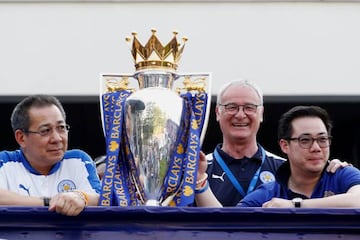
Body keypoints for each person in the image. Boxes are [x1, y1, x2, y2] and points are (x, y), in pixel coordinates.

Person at [201, 79, 346, 206]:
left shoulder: (287, 169)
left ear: (261, 113)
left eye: (249, 107)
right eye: (231, 107)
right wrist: (198, 182)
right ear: (218, 113)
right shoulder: (199, 171)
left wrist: (334, 171)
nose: (240, 115)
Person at [0, 94, 101, 216]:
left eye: (61, 128)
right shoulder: (5, 163)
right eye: (45, 131)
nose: (57, 138)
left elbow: (102, 198)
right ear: (21, 138)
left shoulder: (78, 160)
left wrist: (81, 197)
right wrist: (49, 202)